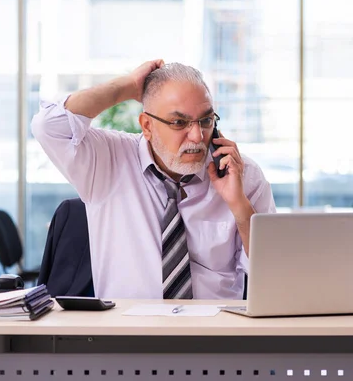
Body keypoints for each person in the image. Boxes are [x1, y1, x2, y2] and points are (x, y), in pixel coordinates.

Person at [31, 60, 276, 300]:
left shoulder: (242, 174)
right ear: (147, 126)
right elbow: (49, 125)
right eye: (179, 122)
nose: (197, 135)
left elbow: (274, 275)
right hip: (127, 331)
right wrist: (126, 87)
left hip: (215, 331)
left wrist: (239, 205)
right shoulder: (108, 159)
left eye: (206, 120)